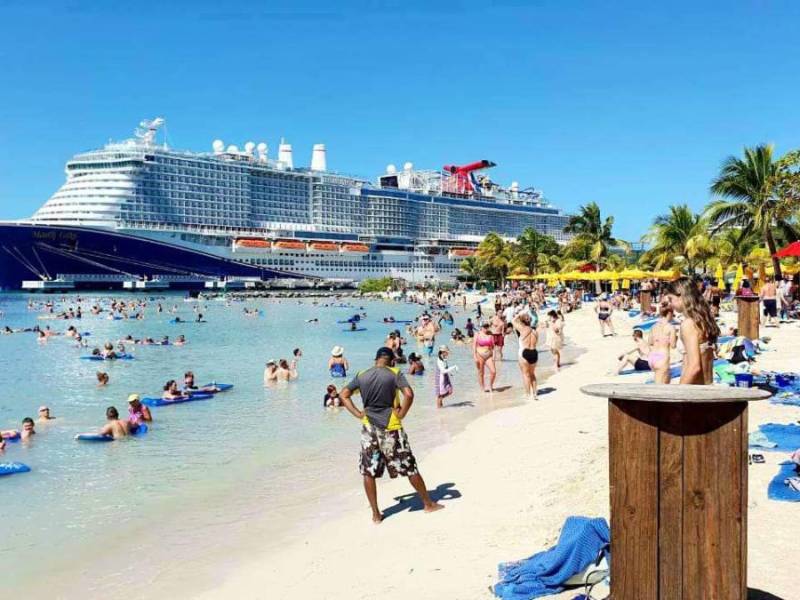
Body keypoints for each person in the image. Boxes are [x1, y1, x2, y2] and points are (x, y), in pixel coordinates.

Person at [339, 347, 444, 524]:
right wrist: (402, 413)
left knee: (368, 471)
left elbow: (344, 394)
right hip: (391, 426)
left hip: (368, 427)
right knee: (409, 466)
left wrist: (358, 414)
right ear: (392, 360)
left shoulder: (362, 374)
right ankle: (428, 504)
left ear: (376, 359)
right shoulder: (394, 373)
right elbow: (409, 394)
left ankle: (376, 514)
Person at [665, 277, 720, 385]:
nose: (670, 304)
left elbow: (694, 367)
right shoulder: (703, 320)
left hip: (694, 390)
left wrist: (678, 391)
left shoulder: (688, 324)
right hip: (707, 386)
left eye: (671, 299)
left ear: (681, 296)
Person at [648, 302, 678, 384]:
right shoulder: (670, 327)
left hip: (652, 356)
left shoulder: (654, 326)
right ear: (669, 313)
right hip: (663, 356)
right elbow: (673, 345)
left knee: (664, 380)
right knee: (661, 386)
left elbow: (650, 342)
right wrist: (676, 338)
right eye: (673, 314)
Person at [513, 313, 539, 401]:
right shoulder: (535, 331)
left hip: (524, 352)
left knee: (525, 374)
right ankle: (534, 393)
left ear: (521, 321)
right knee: (532, 374)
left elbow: (513, 321)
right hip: (534, 352)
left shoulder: (522, 329)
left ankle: (528, 394)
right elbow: (536, 342)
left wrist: (519, 314)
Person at [473, 322, 496, 393]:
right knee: (481, 373)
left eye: (487, 326)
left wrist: (494, 357)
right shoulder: (477, 334)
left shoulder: (490, 335)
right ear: (481, 327)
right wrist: (474, 356)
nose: (486, 328)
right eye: (484, 326)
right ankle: (482, 388)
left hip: (489, 355)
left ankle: (490, 386)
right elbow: (474, 346)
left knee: (493, 371)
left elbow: (493, 347)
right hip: (479, 355)